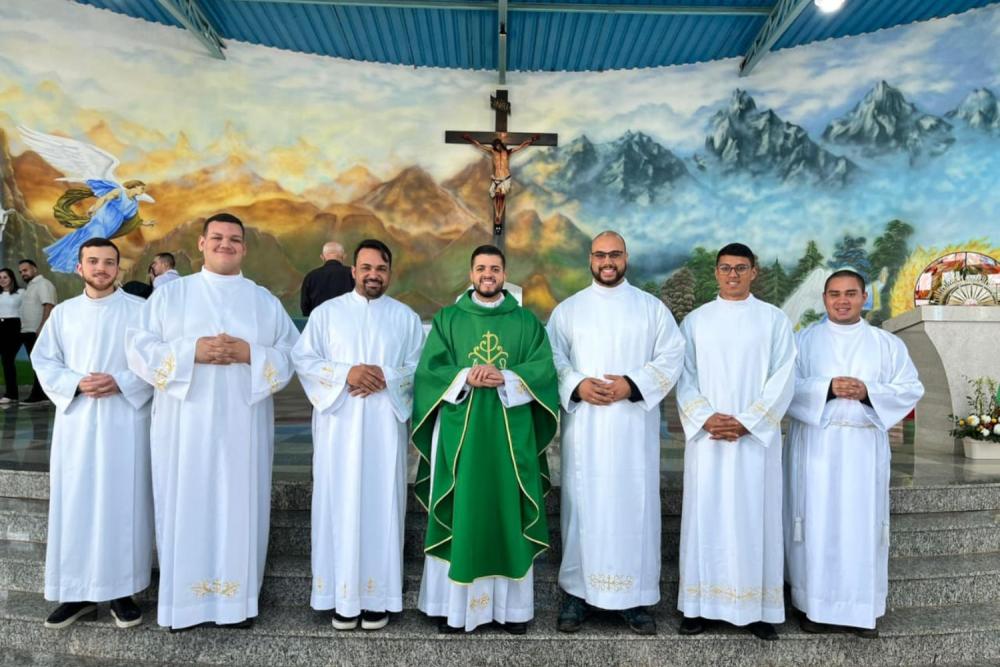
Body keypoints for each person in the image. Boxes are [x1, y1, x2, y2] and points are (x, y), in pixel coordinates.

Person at [125, 212, 298, 631]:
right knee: (185, 502)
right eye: (217, 237)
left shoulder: (263, 301)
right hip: (183, 428)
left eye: (234, 239)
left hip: (243, 426)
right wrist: (192, 352)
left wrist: (250, 354)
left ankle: (235, 604)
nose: (226, 244)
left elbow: (293, 354)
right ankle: (184, 606)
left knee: (239, 505)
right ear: (201, 244)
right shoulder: (170, 296)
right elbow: (138, 348)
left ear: (244, 247)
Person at [414, 244, 559, 634]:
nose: (487, 274)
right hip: (462, 434)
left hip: (511, 437)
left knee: (506, 511)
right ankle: (453, 610)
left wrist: (508, 377)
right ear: (471, 274)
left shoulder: (526, 322)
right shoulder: (448, 319)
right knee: (465, 510)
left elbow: (544, 370)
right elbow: (429, 372)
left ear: (504, 274)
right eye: (481, 268)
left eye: (494, 268)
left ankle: (512, 611)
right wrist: (465, 375)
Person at [546, 231, 685, 635]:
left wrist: (633, 383)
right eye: (600, 255)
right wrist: (576, 384)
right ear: (590, 259)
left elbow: (672, 356)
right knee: (583, 507)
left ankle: (635, 599)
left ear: (626, 258)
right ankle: (577, 594)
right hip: (585, 432)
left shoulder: (651, 309)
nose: (607, 262)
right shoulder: (569, 310)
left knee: (633, 507)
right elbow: (551, 357)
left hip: (632, 433)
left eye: (615, 255)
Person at [292, 239, 424, 631]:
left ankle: (377, 598)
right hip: (339, 429)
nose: (373, 275)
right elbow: (304, 359)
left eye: (381, 268)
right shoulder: (326, 315)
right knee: (338, 503)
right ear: (353, 271)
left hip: (384, 431)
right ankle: (340, 598)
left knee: (382, 505)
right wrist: (345, 373)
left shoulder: (405, 318)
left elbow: (420, 367)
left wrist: (387, 376)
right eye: (366, 268)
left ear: (390, 273)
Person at [784, 270, 924, 638]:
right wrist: (827, 388)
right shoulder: (802, 341)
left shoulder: (886, 344)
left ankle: (862, 611)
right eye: (834, 294)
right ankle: (814, 607)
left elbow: (910, 388)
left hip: (863, 450)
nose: (842, 301)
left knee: (861, 527)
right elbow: (783, 388)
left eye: (850, 293)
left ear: (864, 297)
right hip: (817, 447)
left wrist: (868, 392)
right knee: (817, 525)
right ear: (824, 299)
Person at [675, 242, 796, 641]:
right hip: (708, 440)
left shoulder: (774, 320)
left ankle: (757, 609)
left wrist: (748, 422)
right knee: (705, 516)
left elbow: (784, 377)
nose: (733, 275)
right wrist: (705, 417)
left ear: (754, 272)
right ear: (716, 272)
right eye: (726, 268)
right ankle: (698, 606)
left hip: (754, 443)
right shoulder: (695, 321)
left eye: (741, 268)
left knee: (754, 518)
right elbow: (684, 376)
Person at [31, 237, 154, 630]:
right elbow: (44, 360)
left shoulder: (140, 312)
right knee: (76, 503)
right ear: (79, 267)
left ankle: (122, 591)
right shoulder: (64, 315)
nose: (102, 268)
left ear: (119, 268)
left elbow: (156, 363)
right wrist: (76, 383)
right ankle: (77, 592)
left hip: (124, 422)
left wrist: (121, 381)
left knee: (122, 502)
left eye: (109, 262)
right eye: (93, 261)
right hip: (78, 425)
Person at [463, 133, 540, 228]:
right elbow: (479, 145)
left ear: (501, 144)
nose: (497, 146)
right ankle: (497, 215)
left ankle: (499, 215)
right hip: (497, 178)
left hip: (505, 178)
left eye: (498, 144)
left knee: (502, 197)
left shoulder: (508, 152)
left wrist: (532, 140)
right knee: (497, 197)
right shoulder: (492, 152)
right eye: (495, 145)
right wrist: (469, 139)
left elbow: (521, 146)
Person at [18, 259, 58, 405]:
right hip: (28, 330)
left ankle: (39, 395)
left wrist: (42, 328)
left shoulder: (43, 284)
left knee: (39, 365)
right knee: (36, 365)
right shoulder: (31, 286)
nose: (23, 273)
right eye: (21, 272)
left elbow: (49, 305)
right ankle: (40, 395)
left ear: (34, 269)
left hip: (36, 331)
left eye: (25, 270)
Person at [300, 242, 354, 317]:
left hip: (320, 322)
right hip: (349, 320)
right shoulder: (354, 274)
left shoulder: (310, 276)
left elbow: (305, 308)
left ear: (322, 257)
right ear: (344, 257)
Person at [0, 268, 23, 404]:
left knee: (7, 360)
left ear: (11, 278)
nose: (2, 280)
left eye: (5, 277)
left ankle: (11, 394)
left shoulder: (21, 293)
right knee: (6, 361)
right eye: (0, 277)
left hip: (14, 327)